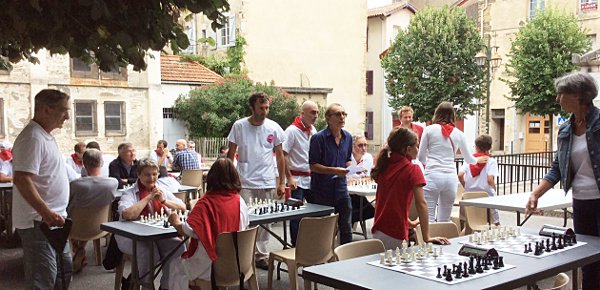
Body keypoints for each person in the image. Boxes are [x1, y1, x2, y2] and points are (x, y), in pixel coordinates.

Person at [526, 72, 600, 290]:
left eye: (561, 94)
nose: (557, 99)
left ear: (578, 96)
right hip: (581, 202)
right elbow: (557, 168)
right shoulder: (566, 129)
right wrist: (535, 194)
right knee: (587, 260)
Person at [12, 89, 72, 289]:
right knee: (43, 277)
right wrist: (45, 212)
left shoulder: (43, 135)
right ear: (46, 109)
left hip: (53, 221)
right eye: (64, 110)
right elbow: (22, 179)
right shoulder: (32, 137)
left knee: (63, 270)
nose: (68, 116)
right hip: (38, 222)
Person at [168, 158, 249, 290]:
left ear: (211, 177)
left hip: (210, 267)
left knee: (175, 267)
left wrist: (176, 221)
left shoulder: (205, 203)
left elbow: (187, 231)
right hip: (237, 264)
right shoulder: (240, 201)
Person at [227, 92, 286, 269]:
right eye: (261, 108)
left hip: (267, 179)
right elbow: (231, 154)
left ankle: (262, 255)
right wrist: (229, 178)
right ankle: (244, 255)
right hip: (244, 180)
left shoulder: (274, 127)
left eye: (267, 107)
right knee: (245, 219)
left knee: (265, 221)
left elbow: (281, 156)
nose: (265, 111)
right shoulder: (239, 126)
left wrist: (281, 182)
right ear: (252, 108)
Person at [371, 127, 450, 249]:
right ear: (408, 149)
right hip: (396, 232)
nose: (418, 149)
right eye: (416, 146)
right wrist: (426, 237)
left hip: (379, 230)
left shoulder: (385, 165)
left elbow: (391, 202)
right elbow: (421, 203)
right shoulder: (412, 170)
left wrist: (409, 222)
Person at [116, 158, 186, 290]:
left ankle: (167, 286)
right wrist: (148, 197)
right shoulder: (130, 192)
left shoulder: (161, 190)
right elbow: (128, 214)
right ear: (138, 175)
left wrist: (164, 201)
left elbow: (182, 206)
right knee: (149, 251)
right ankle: (146, 285)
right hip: (133, 236)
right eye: (147, 174)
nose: (152, 178)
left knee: (178, 247)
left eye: (154, 174)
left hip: (157, 234)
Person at [417, 101, 487, 223]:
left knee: (428, 218)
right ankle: (443, 239)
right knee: (445, 219)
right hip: (450, 178)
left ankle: (428, 241)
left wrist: (431, 165)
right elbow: (469, 159)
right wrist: (478, 160)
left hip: (432, 175)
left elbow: (421, 157)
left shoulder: (428, 130)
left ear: (437, 114)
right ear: (453, 115)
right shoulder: (460, 134)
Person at [308, 103, 353, 244]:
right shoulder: (318, 138)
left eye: (344, 114)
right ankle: (320, 259)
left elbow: (347, 160)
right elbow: (313, 166)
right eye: (338, 114)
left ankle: (346, 260)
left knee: (346, 228)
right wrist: (334, 170)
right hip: (322, 191)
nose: (342, 117)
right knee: (322, 229)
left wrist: (354, 168)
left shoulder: (348, 137)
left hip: (341, 189)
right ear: (328, 118)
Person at [68, 148, 118, 273]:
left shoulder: (75, 185)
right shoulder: (112, 183)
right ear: (101, 163)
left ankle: (79, 250)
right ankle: (81, 250)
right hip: (101, 226)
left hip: (74, 228)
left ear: (84, 164)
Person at [283, 100, 318, 246]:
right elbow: (282, 155)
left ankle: (312, 243)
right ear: (302, 114)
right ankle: (295, 245)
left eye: (317, 112)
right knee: (296, 215)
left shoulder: (314, 130)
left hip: (311, 178)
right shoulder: (291, 131)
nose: (315, 115)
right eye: (312, 112)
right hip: (296, 179)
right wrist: (289, 178)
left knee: (316, 211)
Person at [458, 134, 499, 226]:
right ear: (489, 147)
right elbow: (490, 179)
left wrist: (466, 186)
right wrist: (494, 188)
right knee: (495, 224)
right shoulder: (491, 161)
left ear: (476, 147)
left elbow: (460, 175)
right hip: (486, 197)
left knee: (468, 225)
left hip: (469, 197)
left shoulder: (469, 160)